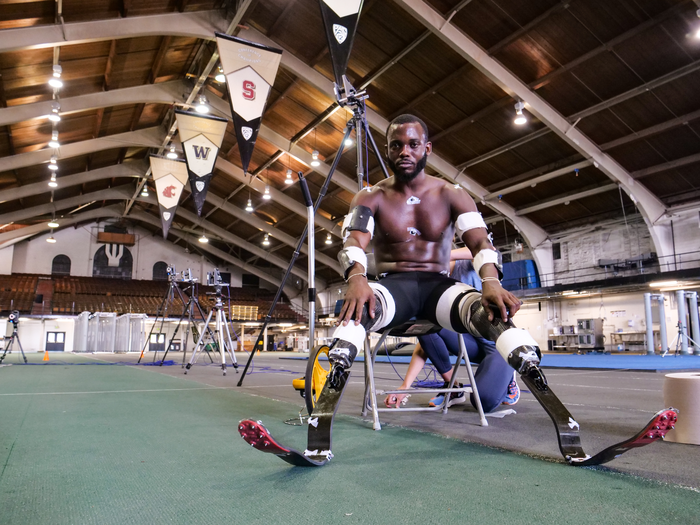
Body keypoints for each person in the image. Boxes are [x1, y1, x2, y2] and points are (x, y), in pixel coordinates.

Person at [326, 113, 543, 397]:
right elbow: (354, 238)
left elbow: (480, 243)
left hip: (439, 288)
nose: (404, 151)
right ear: (388, 150)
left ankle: (522, 357)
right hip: (394, 288)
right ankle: (339, 361)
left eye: (413, 144)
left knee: (485, 309)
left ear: (426, 149)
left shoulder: (453, 194)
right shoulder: (370, 196)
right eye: (396, 145)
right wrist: (356, 277)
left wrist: (491, 282)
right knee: (359, 305)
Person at [384, 249, 519, 412]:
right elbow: (426, 342)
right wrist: (405, 385)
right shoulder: (434, 287)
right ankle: (453, 387)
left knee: (483, 402)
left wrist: (443, 254)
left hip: (497, 344)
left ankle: (507, 376)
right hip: (470, 343)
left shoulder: (467, 265)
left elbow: (489, 250)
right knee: (423, 326)